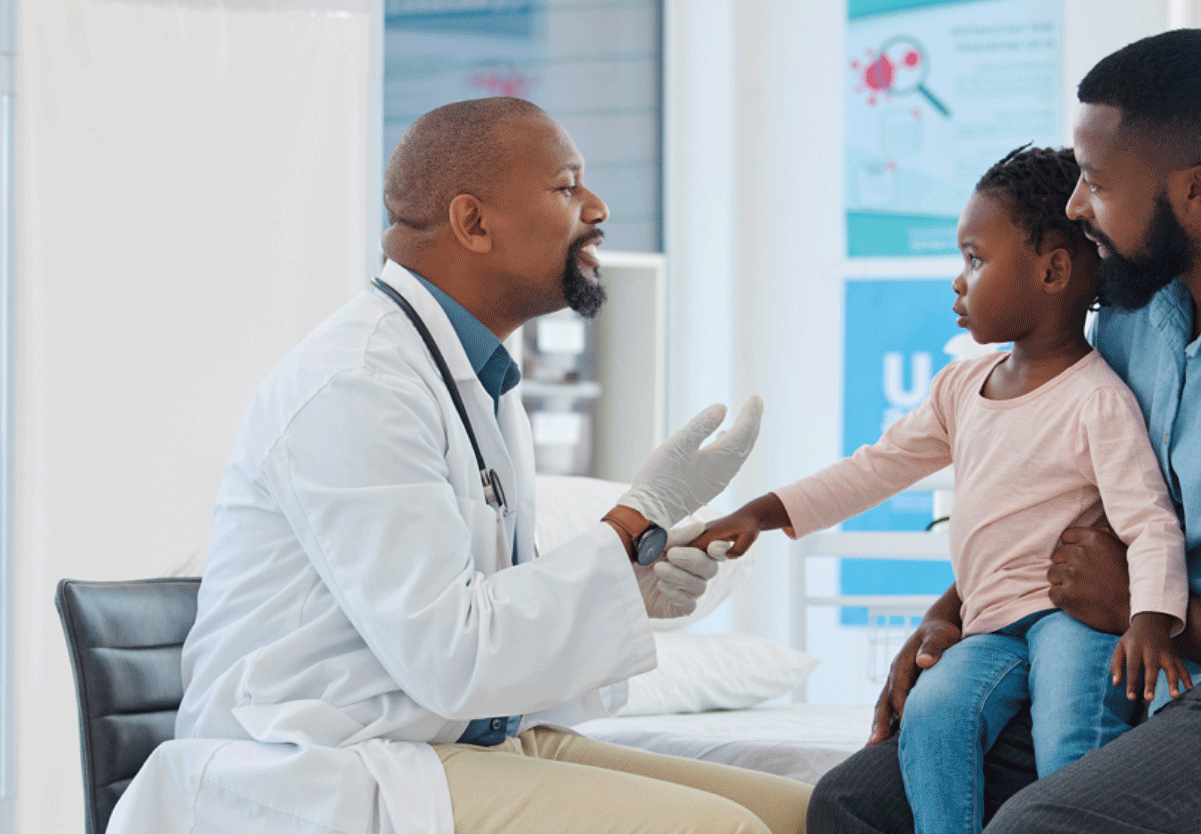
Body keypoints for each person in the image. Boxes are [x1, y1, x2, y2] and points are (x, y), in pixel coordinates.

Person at [806, 29, 1201, 834]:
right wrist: (953, 614)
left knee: (1040, 826)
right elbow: (1070, 495)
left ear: (1195, 191)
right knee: (852, 806)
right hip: (1149, 656)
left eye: (1095, 183)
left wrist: (1138, 605)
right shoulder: (1137, 311)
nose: (1077, 208)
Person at [107, 96, 804, 834]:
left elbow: (487, 610)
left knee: (809, 816)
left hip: (444, 736)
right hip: (328, 767)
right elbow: (448, 653)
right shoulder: (359, 381)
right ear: (473, 223)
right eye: (567, 186)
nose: (596, 208)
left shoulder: (474, 378)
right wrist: (635, 521)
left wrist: (636, 581)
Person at [690, 145, 1188, 834]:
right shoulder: (960, 388)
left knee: (1070, 740)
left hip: (1070, 618)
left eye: (976, 260)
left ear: (1052, 270)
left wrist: (1151, 620)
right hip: (988, 625)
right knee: (933, 715)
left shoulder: (1096, 400)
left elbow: (1150, 523)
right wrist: (763, 512)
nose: (959, 282)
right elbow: (875, 468)